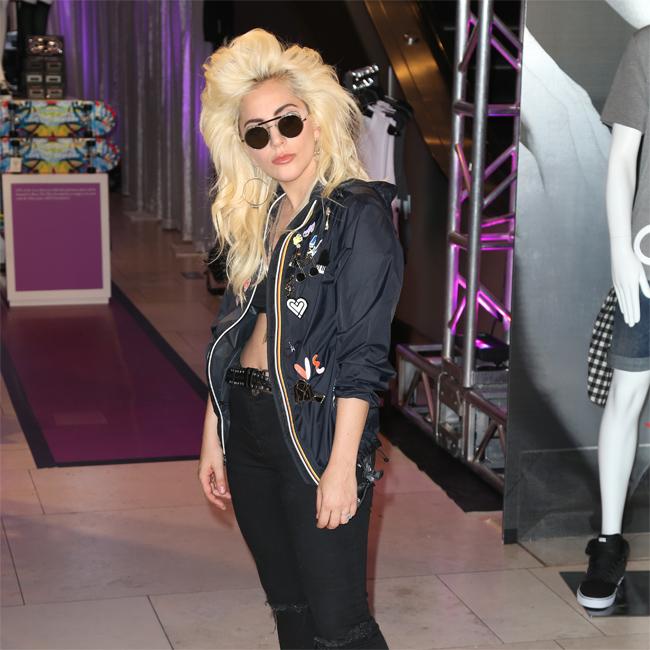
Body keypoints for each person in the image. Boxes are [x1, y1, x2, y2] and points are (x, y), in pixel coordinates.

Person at [196, 28, 404, 649]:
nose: (277, 142)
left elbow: (364, 357)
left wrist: (341, 467)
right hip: (248, 424)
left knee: (341, 624)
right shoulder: (260, 217)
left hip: (316, 433)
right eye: (257, 133)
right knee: (289, 608)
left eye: (287, 122)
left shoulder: (357, 214)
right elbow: (230, 334)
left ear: (315, 119)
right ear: (245, 147)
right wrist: (214, 432)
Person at [577, 24, 650, 611]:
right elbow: (623, 158)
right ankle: (608, 541)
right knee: (626, 396)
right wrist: (620, 250)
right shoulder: (647, 47)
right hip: (649, 264)